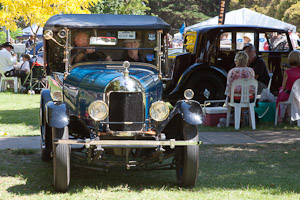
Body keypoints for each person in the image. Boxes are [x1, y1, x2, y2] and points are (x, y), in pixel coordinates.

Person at [276, 51, 300, 122]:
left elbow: (284, 88)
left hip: (289, 95)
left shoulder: (287, 72)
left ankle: (280, 117)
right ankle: (288, 114)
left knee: (281, 93)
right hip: (299, 95)